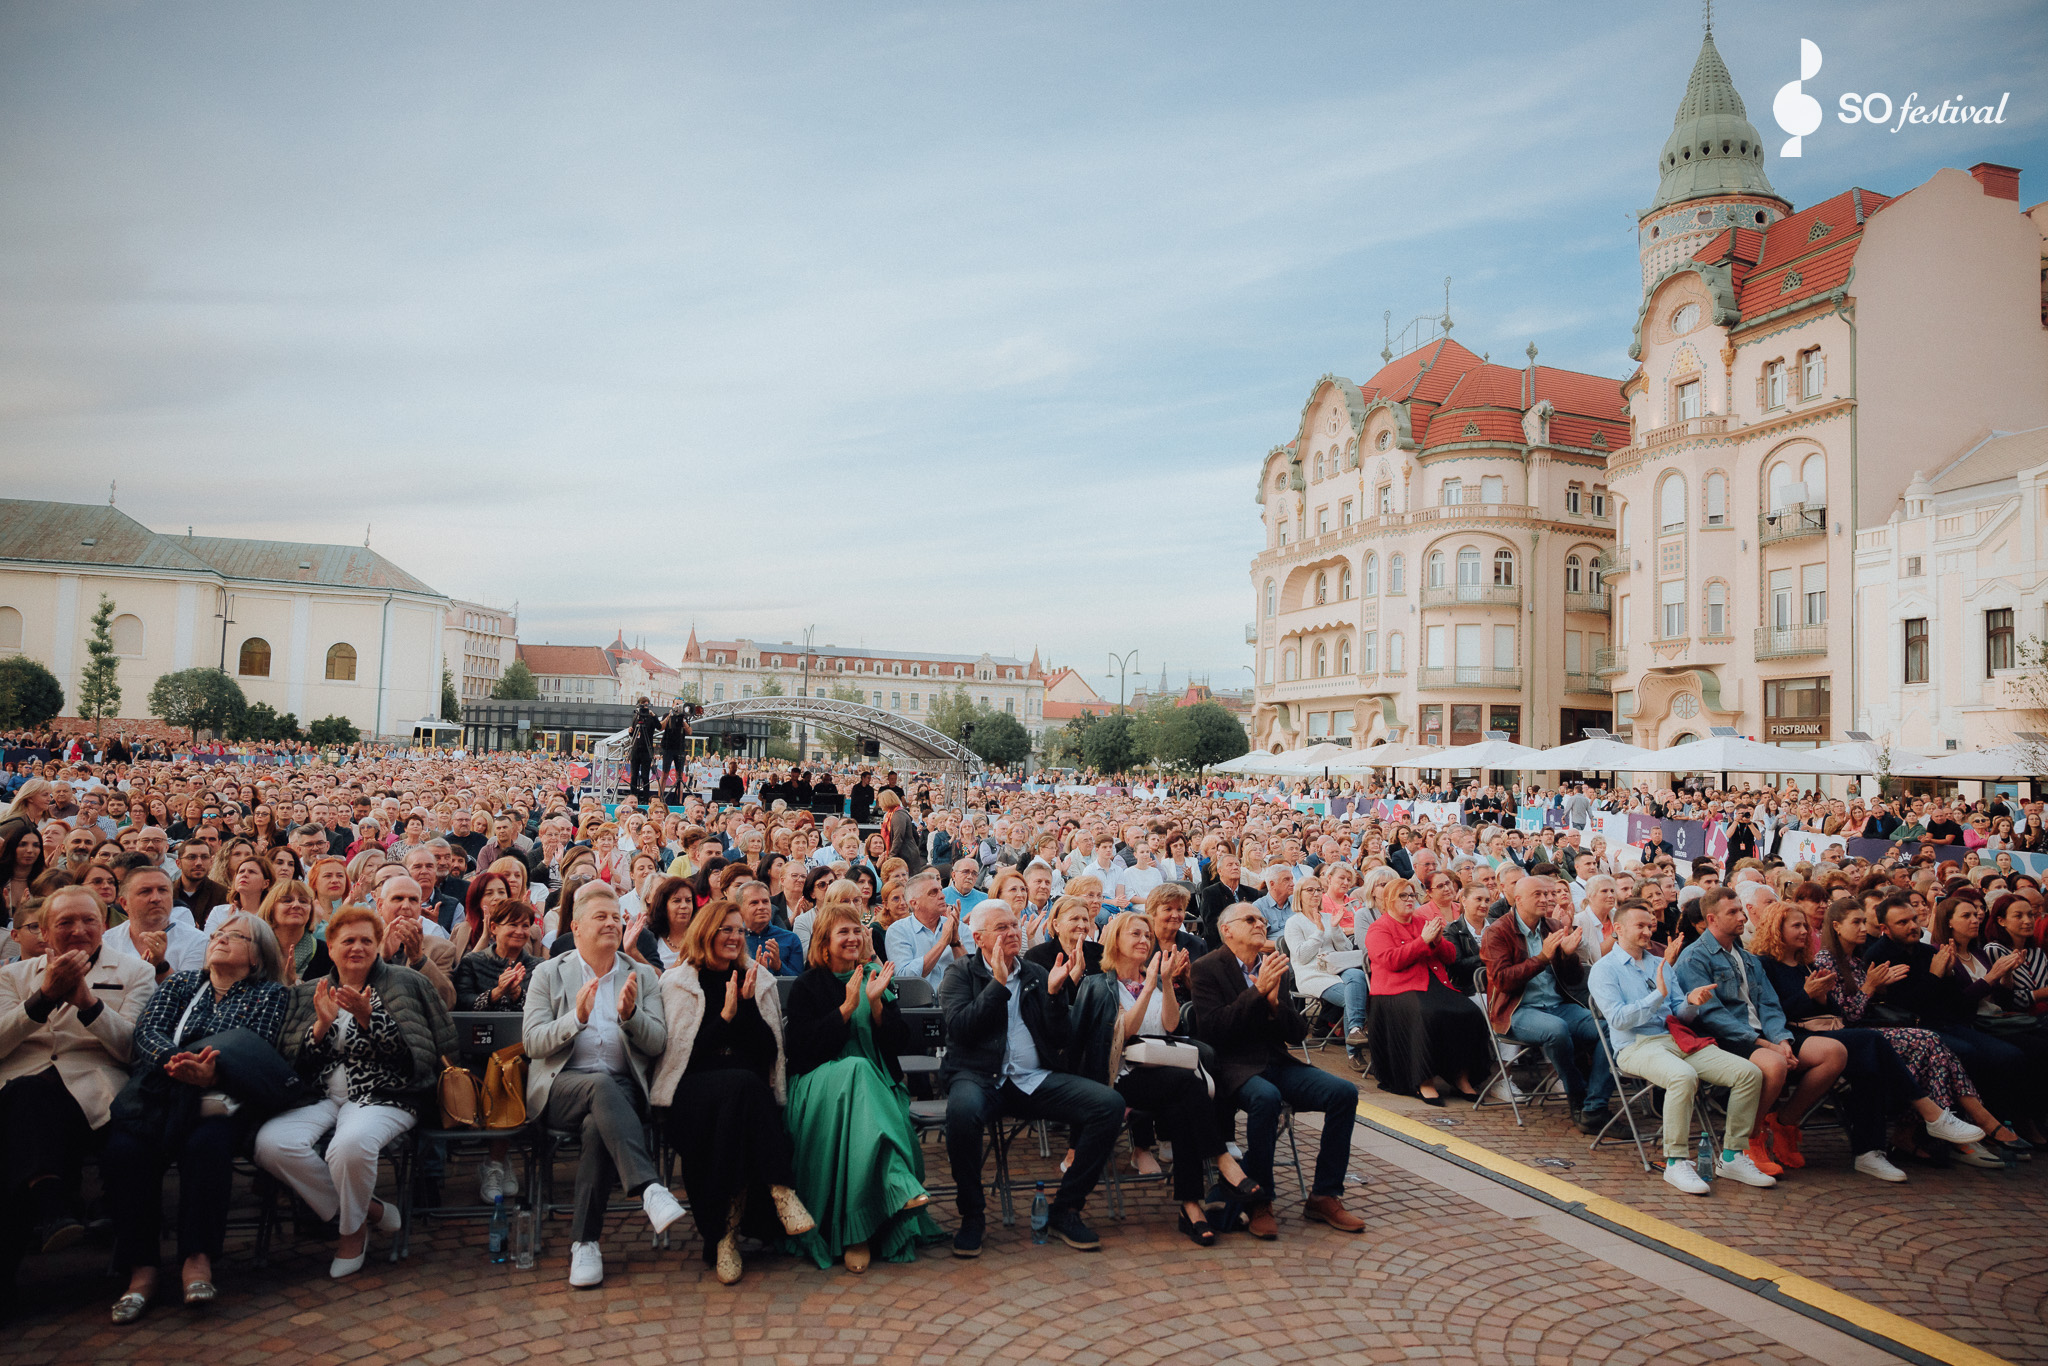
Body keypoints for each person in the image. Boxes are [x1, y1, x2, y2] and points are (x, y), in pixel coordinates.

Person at [103, 910, 291, 1323]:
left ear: (257, 957)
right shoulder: (184, 984)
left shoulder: (269, 994)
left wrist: (212, 1071)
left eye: (235, 936)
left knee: (207, 1145)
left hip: (222, 1096)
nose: (220, 939)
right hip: (163, 1091)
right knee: (125, 1150)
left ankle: (197, 1258)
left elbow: (251, 1041)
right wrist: (177, 1062)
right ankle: (142, 1269)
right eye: (217, 934)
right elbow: (147, 1031)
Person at [256, 903, 453, 1277]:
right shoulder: (312, 991)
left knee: (348, 1147)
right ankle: (373, 1210)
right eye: (348, 940)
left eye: (367, 940)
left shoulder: (404, 982)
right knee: (271, 1142)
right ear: (330, 947)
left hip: (386, 1092)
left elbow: (419, 1057)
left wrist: (369, 1019)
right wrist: (319, 1029)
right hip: (321, 1095)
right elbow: (292, 1061)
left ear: (379, 945)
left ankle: (352, 1233)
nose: (357, 947)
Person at [1748, 901, 1984, 1182]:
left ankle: (1870, 1152)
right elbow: (1771, 1013)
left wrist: (1822, 997)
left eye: (1805, 925)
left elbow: (1835, 1013)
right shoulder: (1764, 964)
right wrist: (1808, 995)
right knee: (1872, 1042)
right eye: (1796, 926)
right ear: (1777, 929)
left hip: (1827, 1033)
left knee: (1870, 1063)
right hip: (1790, 1037)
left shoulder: (1805, 964)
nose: (1804, 931)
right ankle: (1929, 1116)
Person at [938, 900, 1122, 1258]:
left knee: (1108, 1105)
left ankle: (1065, 1208)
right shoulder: (960, 974)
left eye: (1014, 926)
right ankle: (972, 1215)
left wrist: (1055, 995)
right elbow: (961, 1029)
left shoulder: (1037, 974)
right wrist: (997, 984)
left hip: (1033, 1080)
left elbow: (1060, 1039)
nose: (1012, 933)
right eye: (1001, 928)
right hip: (978, 1078)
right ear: (978, 938)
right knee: (961, 1111)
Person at [521, 881, 682, 1289]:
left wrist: (630, 1016)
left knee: (599, 1126)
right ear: (575, 927)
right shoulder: (548, 973)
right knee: (596, 1088)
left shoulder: (641, 977)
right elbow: (533, 1042)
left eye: (616, 917)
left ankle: (585, 1244)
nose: (612, 924)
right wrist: (575, 1017)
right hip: (561, 1088)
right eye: (601, 917)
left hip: (621, 1088)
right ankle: (647, 1187)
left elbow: (657, 1041)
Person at [1070, 911, 1263, 1246]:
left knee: (1183, 1105)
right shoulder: (1098, 984)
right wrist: (1146, 988)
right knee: (1189, 1086)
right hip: (1121, 1078)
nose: (1145, 941)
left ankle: (1191, 1207)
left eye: (1147, 935)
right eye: (1136, 934)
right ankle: (1221, 1161)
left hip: (1165, 1076)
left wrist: (1167, 983)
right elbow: (1125, 1032)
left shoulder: (1157, 979)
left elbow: (1172, 1027)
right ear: (1116, 939)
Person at [648, 896, 813, 1284]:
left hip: (743, 1099)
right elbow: (681, 1056)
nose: (736, 937)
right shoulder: (678, 983)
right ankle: (780, 1188)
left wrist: (749, 1008)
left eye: (740, 931)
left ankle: (724, 1238)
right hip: (691, 1096)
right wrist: (724, 1018)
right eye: (727, 930)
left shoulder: (757, 979)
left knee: (740, 1104)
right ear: (708, 931)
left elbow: (769, 1051)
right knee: (742, 1089)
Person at [0, 886, 154, 1295]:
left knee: (22, 1114)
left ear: (104, 926)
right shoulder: (11, 977)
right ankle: (52, 1207)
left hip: (93, 1095)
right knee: (26, 1096)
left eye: (88, 920)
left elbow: (132, 1049)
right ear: (45, 933)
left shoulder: (135, 972)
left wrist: (88, 1003)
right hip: (17, 1093)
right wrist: (44, 997)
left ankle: (52, 1206)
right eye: (64, 922)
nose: (78, 930)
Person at [783, 899, 943, 1271]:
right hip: (818, 1087)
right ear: (824, 943)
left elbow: (901, 1043)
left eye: (857, 930)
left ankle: (862, 1233)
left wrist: (874, 1006)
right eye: (844, 932)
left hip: (874, 1085)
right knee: (855, 1069)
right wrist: (844, 1009)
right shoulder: (809, 984)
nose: (853, 938)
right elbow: (801, 1050)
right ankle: (884, 1201)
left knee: (867, 1087)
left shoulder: (874, 975)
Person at [1193, 903, 1364, 1235]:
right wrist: (1256, 993)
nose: (1261, 923)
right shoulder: (1207, 968)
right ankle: (1260, 1200)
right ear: (1227, 929)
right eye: (1250, 919)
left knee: (1344, 1093)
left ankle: (1324, 1195)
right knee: (1266, 1098)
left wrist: (1273, 1004)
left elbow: (1297, 1033)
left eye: (1262, 919)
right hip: (1234, 1067)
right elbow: (1213, 1031)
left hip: (1276, 1062)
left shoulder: (1274, 966)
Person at [1588, 904, 1775, 1193]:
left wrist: (1692, 1003)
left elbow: (1677, 1011)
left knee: (1748, 1073)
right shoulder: (1604, 969)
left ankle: (1732, 1156)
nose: (1648, 931)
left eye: (1649, 925)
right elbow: (1619, 1019)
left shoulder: (1657, 963)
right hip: (1635, 1045)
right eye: (1640, 926)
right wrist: (1657, 995)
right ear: (1618, 929)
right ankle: (1675, 1161)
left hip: (1677, 1038)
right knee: (1682, 1076)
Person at [1674, 888, 1848, 1177]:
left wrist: (1782, 1039)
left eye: (1741, 910)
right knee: (1775, 1063)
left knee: (1834, 1052)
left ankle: (1785, 1123)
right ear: (1712, 919)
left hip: (1761, 1036)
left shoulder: (1748, 958)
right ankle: (1748, 1140)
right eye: (1733, 912)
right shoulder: (1695, 958)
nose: (1742, 916)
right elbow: (1713, 1016)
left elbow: (1770, 1004)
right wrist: (1765, 1044)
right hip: (1723, 1039)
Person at [1481, 876, 1612, 1133]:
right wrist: (1542, 958)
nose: (1546, 899)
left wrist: (1568, 955)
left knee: (1608, 1028)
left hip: (1557, 1006)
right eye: (1538, 894)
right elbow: (1503, 981)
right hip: (1516, 1011)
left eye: (1548, 894)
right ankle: (1577, 1093)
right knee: (1557, 1029)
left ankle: (1595, 1104)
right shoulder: (1497, 931)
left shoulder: (1552, 925)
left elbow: (1573, 980)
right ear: (1518, 899)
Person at [1363, 877, 1493, 1105]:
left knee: (1470, 1012)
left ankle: (1461, 1077)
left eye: (1412, 895)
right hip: (1396, 990)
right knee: (1428, 1015)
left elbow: (1450, 956)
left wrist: (1437, 941)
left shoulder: (1422, 921)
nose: (1409, 900)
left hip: (1432, 984)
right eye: (1403, 896)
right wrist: (1423, 941)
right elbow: (1391, 961)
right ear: (1389, 900)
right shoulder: (1379, 928)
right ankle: (1424, 1080)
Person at [1283, 878, 1369, 1071]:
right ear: (1300, 894)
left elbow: (1345, 948)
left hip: (1338, 967)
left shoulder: (1327, 916)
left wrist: (1336, 928)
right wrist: (1320, 932)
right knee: (1352, 996)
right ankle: (1354, 1052)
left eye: (1318, 890)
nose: (1315, 894)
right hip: (1313, 974)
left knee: (1358, 976)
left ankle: (1354, 1031)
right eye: (1310, 890)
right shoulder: (1293, 922)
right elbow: (1302, 957)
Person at [103, 865, 208, 980]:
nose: (156, 898)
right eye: (145, 892)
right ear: (124, 903)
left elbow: (189, 994)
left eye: (163, 890)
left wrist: (161, 966)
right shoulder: (107, 942)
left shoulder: (196, 941)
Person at [885, 869, 965, 992]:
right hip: (917, 1006)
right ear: (915, 903)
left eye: (941, 890)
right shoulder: (898, 930)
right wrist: (943, 942)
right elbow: (905, 978)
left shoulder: (959, 926)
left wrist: (955, 943)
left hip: (957, 1003)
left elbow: (972, 974)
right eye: (933, 892)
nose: (942, 896)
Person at [735, 878, 802, 977]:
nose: (762, 907)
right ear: (740, 909)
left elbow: (799, 983)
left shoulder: (790, 939)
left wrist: (779, 967)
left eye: (765, 901)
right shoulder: (734, 940)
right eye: (754, 903)